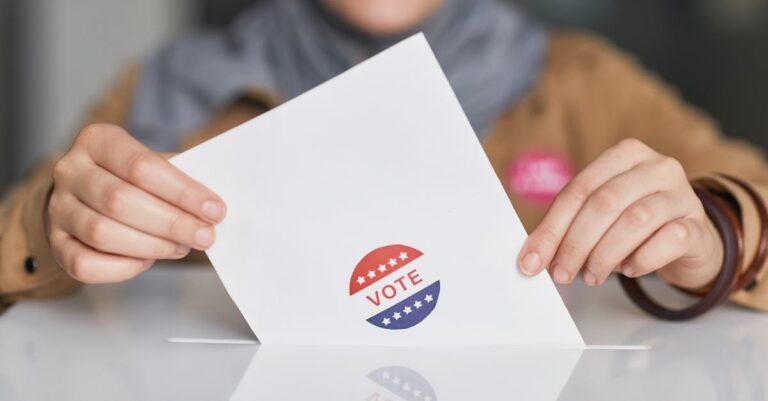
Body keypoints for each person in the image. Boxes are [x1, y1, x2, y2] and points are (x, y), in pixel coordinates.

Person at [0, 0, 766, 315]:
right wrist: (54, 221)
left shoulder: (585, 87)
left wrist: (716, 234)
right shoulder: (172, 92)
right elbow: (18, 244)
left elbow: (744, 197)